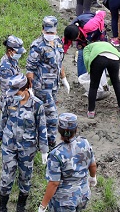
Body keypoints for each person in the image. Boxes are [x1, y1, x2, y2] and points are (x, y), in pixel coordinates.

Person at [0, 74, 48, 212]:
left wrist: (44, 150)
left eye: (17, 92)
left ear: (26, 89)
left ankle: (21, 206)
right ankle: (2, 207)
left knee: (25, 178)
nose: (15, 95)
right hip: (9, 145)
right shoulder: (9, 100)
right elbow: (3, 119)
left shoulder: (37, 105)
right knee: (6, 177)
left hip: (27, 148)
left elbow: (42, 127)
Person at [38, 113, 96, 212]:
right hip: (83, 195)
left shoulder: (56, 154)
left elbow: (54, 183)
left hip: (64, 202)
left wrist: (43, 206)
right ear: (76, 129)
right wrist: (92, 177)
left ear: (59, 130)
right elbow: (92, 164)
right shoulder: (84, 143)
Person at [27, 16, 68, 151]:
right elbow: (30, 69)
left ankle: (38, 138)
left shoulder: (58, 42)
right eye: (47, 32)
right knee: (52, 117)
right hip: (41, 86)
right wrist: (30, 88)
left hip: (54, 86)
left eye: (52, 32)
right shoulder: (37, 46)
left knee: (43, 114)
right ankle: (50, 145)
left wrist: (64, 79)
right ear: (42, 30)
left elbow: (59, 62)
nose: (49, 35)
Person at [82, 40, 120, 118]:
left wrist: (90, 71)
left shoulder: (87, 48)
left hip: (99, 58)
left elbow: (87, 59)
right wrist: (109, 82)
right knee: (116, 82)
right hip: (115, 58)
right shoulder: (108, 45)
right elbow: (114, 77)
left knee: (93, 86)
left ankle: (91, 111)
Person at [62, 11, 106, 77]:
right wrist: (61, 56)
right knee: (81, 53)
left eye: (75, 39)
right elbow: (65, 45)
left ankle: (103, 72)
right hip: (83, 37)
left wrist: (98, 13)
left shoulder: (91, 25)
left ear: (78, 33)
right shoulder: (70, 32)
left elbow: (102, 13)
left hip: (96, 31)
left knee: (101, 53)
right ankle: (82, 77)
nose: (74, 41)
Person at [0, 36, 26, 112]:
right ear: (10, 51)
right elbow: (9, 90)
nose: (20, 55)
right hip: (9, 102)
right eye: (18, 53)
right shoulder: (5, 68)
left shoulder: (12, 60)